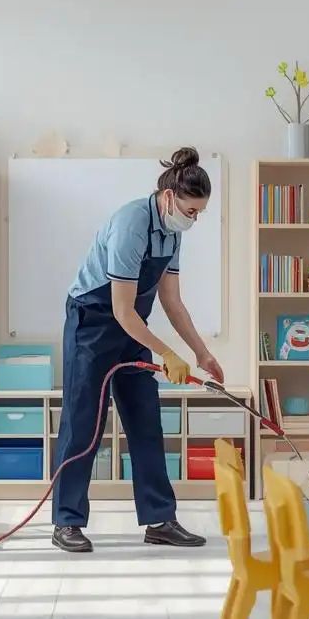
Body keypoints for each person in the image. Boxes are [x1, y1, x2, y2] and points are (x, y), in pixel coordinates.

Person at [51, 148, 224, 554]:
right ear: (168, 197)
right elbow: (122, 309)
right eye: (190, 210)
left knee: (146, 421)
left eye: (199, 213)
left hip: (134, 330)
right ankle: (67, 522)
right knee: (83, 424)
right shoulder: (132, 222)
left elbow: (172, 303)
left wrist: (200, 353)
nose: (193, 218)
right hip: (92, 325)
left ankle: (160, 519)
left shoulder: (172, 232)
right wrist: (168, 354)